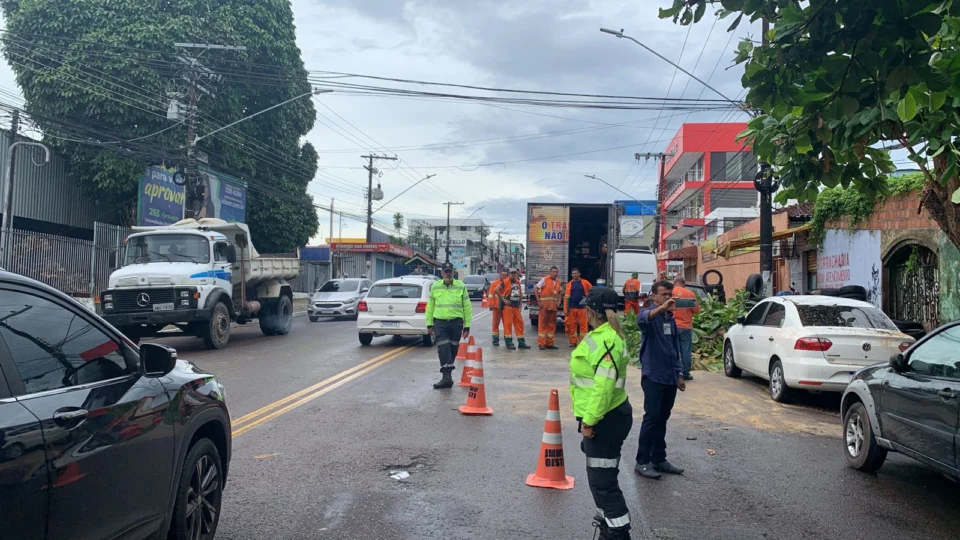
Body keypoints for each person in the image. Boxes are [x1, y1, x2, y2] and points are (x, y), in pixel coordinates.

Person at [570, 287, 633, 539]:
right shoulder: (605, 335)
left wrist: (589, 421)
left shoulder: (606, 340)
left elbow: (603, 387)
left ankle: (618, 534)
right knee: (602, 479)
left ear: (589, 312)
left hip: (604, 419)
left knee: (603, 484)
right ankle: (611, 526)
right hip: (608, 416)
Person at [635, 280, 686, 479]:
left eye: (669, 294)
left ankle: (659, 459)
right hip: (653, 376)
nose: (667, 298)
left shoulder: (669, 319)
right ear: (654, 296)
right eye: (663, 294)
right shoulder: (648, 315)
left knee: (663, 418)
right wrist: (662, 308)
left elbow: (674, 348)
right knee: (651, 418)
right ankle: (642, 461)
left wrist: (679, 373)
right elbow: (642, 320)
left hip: (669, 376)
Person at [425, 262, 472, 389]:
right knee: (443, 348)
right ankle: (446, 377)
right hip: (440, 323)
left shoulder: (461, 286)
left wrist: (467, 326)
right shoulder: (435, 286)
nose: (448, 273)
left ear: (453, 272)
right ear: (441, 273)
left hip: (456, 323)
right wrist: (429, 324)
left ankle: (448, 376)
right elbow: (430, 307)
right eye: (445, 271)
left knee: (453, 349)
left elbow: (467, 307)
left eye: (450, 271)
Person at [672, 276, 700, 381]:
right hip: (686, 326)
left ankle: (676, 372)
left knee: (674, 349)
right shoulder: (690, 294)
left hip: (672, 326)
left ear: (675, 283)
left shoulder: (671, 293)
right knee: (685, 351)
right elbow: (696, 310)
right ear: (684, 284)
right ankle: (685, 373)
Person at [500, 268, 531, 350]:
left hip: (516, 307)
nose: (513, 274)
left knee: (520, 324)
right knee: (508, 325)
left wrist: (520, 306)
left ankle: (521, 343)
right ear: (509, 274)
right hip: (508, 307)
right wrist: (504, 299)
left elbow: (520, 295)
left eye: (515, 273)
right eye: (512, 273)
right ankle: (509, 343)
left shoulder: (517, 282)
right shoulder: (505, 281)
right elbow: (496, 290)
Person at [535, 266, 563, 350]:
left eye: (556, 272)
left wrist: (559, 302)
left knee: (552, 325)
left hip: (553, 307)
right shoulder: (544, 279)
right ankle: (541, 344)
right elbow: (535, 289)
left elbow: (560, 293)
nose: (555, 273)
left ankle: (550, 343)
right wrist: (538, 301)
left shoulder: (558, 282)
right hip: (544, 306)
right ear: (550, 272)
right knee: (542, 324)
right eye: (553, 272)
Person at [564, 268, 593, 347]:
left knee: (584, 326)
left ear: (579, 274)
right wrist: (566, 309)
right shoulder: (569, 284)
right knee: (572, 326)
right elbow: (566, 297)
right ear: (571, 275)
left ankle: (584, 343)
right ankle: (573, 342)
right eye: (573, 274)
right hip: (572, 308)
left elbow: (592, 291)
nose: (574, 275)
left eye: (576, 273)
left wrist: (589, 301)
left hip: (582, 307)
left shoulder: (585, 282)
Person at [488, 270, 509, 346]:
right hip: (496, 307)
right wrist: (490, 304)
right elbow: (491, 294)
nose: (504, 277)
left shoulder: (508, 283)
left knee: (506, 324)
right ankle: (495, 340)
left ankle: (507, 340)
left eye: (505, 275)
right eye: (503, 275)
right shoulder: (494, 283)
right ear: (500, 275)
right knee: (495, 324)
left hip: (506, 307)